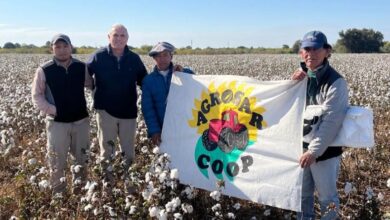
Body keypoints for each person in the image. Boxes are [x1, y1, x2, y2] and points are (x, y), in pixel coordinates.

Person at [292, 31, 349, 219]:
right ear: (301, 53)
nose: (311, 53)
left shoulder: (336, 82)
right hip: (301, 149)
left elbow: (331, 121)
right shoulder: (300, 78)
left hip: (325, 152)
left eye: (316, 48)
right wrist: (291, 85)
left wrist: (313, 152)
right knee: (302, 194)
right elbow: (289, 109)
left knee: (328, 197)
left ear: (327, 51)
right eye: (307, 49)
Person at [32, 33, 93, 194]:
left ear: (71, 47)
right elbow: (36, 95)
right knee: (57, 161)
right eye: (57, 47)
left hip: (81, 122)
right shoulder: (45, 69)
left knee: (82, 159)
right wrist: (53, 110)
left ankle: (80, 194)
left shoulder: (81, 67)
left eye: (65, 46)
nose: (62, 50)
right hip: (57, 123)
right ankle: (59, 195)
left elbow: (92, 86)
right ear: (52, 49)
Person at [87, 24, 147, 186]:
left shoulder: (134, 58)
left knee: (128, 151)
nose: (119, 39)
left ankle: (129, 186)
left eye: (122, 36)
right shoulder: (98, 56)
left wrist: (171, 74)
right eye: (115, 35)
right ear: (109, 37)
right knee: (107, 150)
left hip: (128, 111)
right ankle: (109, 186)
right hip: (105, 111)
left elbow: (144, 81)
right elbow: (84, 73)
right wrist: (94, 88)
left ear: (127, 38)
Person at [142, 42, 194, 145]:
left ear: (171, 56)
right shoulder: (148, 81)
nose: (162, 59)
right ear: (154, 58)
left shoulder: (182, 73)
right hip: (162, 129)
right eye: (158, 56)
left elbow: (197, 86)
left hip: (184, 127)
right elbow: (148, 109)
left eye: (165, 55)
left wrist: (184, 72)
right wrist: (154, 131)